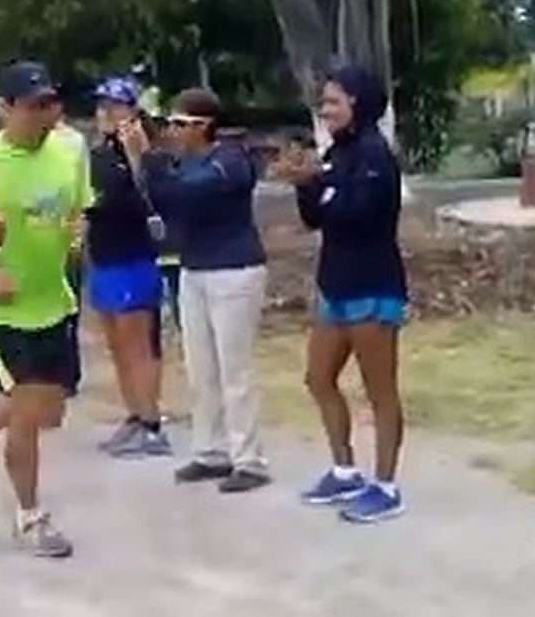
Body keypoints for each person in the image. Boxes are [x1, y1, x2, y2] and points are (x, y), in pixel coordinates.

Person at [271, 65, 408, 523]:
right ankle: (344, 470)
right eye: (324, 101)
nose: (324, 109)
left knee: (380, 391)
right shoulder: (337, 153)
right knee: (318, 378)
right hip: (336, 286)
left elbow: (357, 215)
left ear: (358, 103)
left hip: (373, 287)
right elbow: (317, 218)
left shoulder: (375, 155)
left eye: (333, 101)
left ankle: (386, 487)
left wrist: (319, 185)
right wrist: (306, 184)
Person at [0, 61, 86, 558]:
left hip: (54, 299)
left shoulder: (71, 148)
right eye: (35, 106)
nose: (46, 114)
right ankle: (30, 516)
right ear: (7, 108)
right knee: (28, 412)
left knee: (46, 410)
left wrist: (81, 234)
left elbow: (81, 209)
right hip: (3, 312)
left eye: (51, 103)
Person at [148, 88, 271, 493]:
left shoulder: (231, 160)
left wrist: (147, 160)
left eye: (180, 124)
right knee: (201, 367)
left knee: (234, 368)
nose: (173, 131)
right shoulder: (183, 163)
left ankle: (249, 459)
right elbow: (162, 198)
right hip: (195, 268)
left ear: (203, 126)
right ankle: (211, 450)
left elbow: (182, 195)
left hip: (234, 270)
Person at [85, 77, 172, 459]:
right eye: (102, 104)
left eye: (115, 105)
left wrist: (139, 158)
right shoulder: (99, 153)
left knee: (139, 342)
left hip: (134, 256)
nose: (106, 112)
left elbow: (156, 201)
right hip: (103, 255)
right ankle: (134, 414)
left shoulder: (144, 153)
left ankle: (152, 423)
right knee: (117, 343)